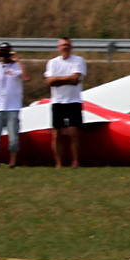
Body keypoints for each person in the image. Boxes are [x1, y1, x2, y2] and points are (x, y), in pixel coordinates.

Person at [0, 42, 29, 166]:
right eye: (2, 51)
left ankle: (13, 162)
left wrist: (18, 61)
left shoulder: (16, 66)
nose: (4, 54)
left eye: (6, 51)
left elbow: (27, 77)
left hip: (12, 107)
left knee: (13, 139)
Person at [44, 37, 86, 167]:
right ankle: (58, 163)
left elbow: (75, 80)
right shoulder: (52, 62)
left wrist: (58, 80)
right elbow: (49, 82)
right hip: (57, 101)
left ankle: (76, 162)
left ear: (71, 47)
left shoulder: (78, 60)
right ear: (59, 47)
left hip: (73, 101)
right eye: (63, 45)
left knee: (74, 133)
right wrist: (67, 79)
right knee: (56, 134)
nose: (65, 47)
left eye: (67, 45)